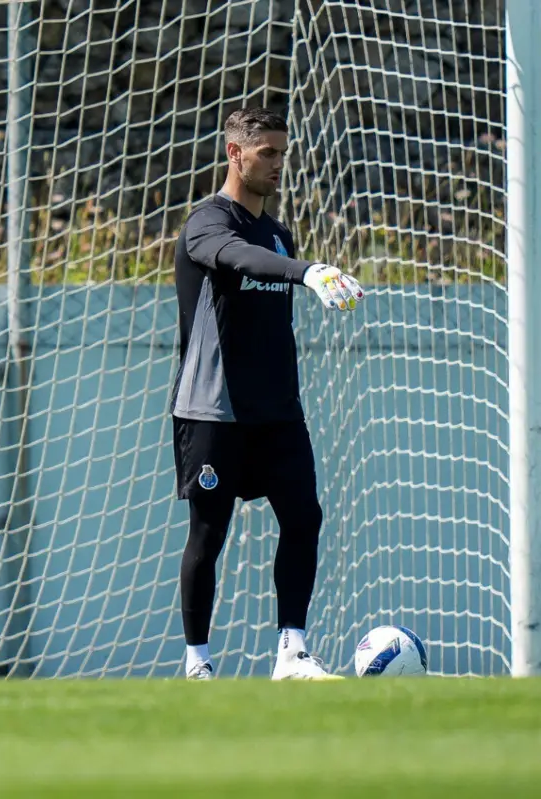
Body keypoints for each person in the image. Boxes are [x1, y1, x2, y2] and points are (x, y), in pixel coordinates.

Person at [169, 107, 364, 680]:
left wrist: (298, 266)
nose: (279, 164)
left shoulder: (278, 232)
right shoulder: (207, 223)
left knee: (304, 517)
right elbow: (235, 257)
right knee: (209, 534)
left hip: (277, 412)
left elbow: (269, 266)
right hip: (214, 410)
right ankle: (197, 663)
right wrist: (304, 271)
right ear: (235, 153)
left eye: (283, 152)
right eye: (268, 154)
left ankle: (292, 652)